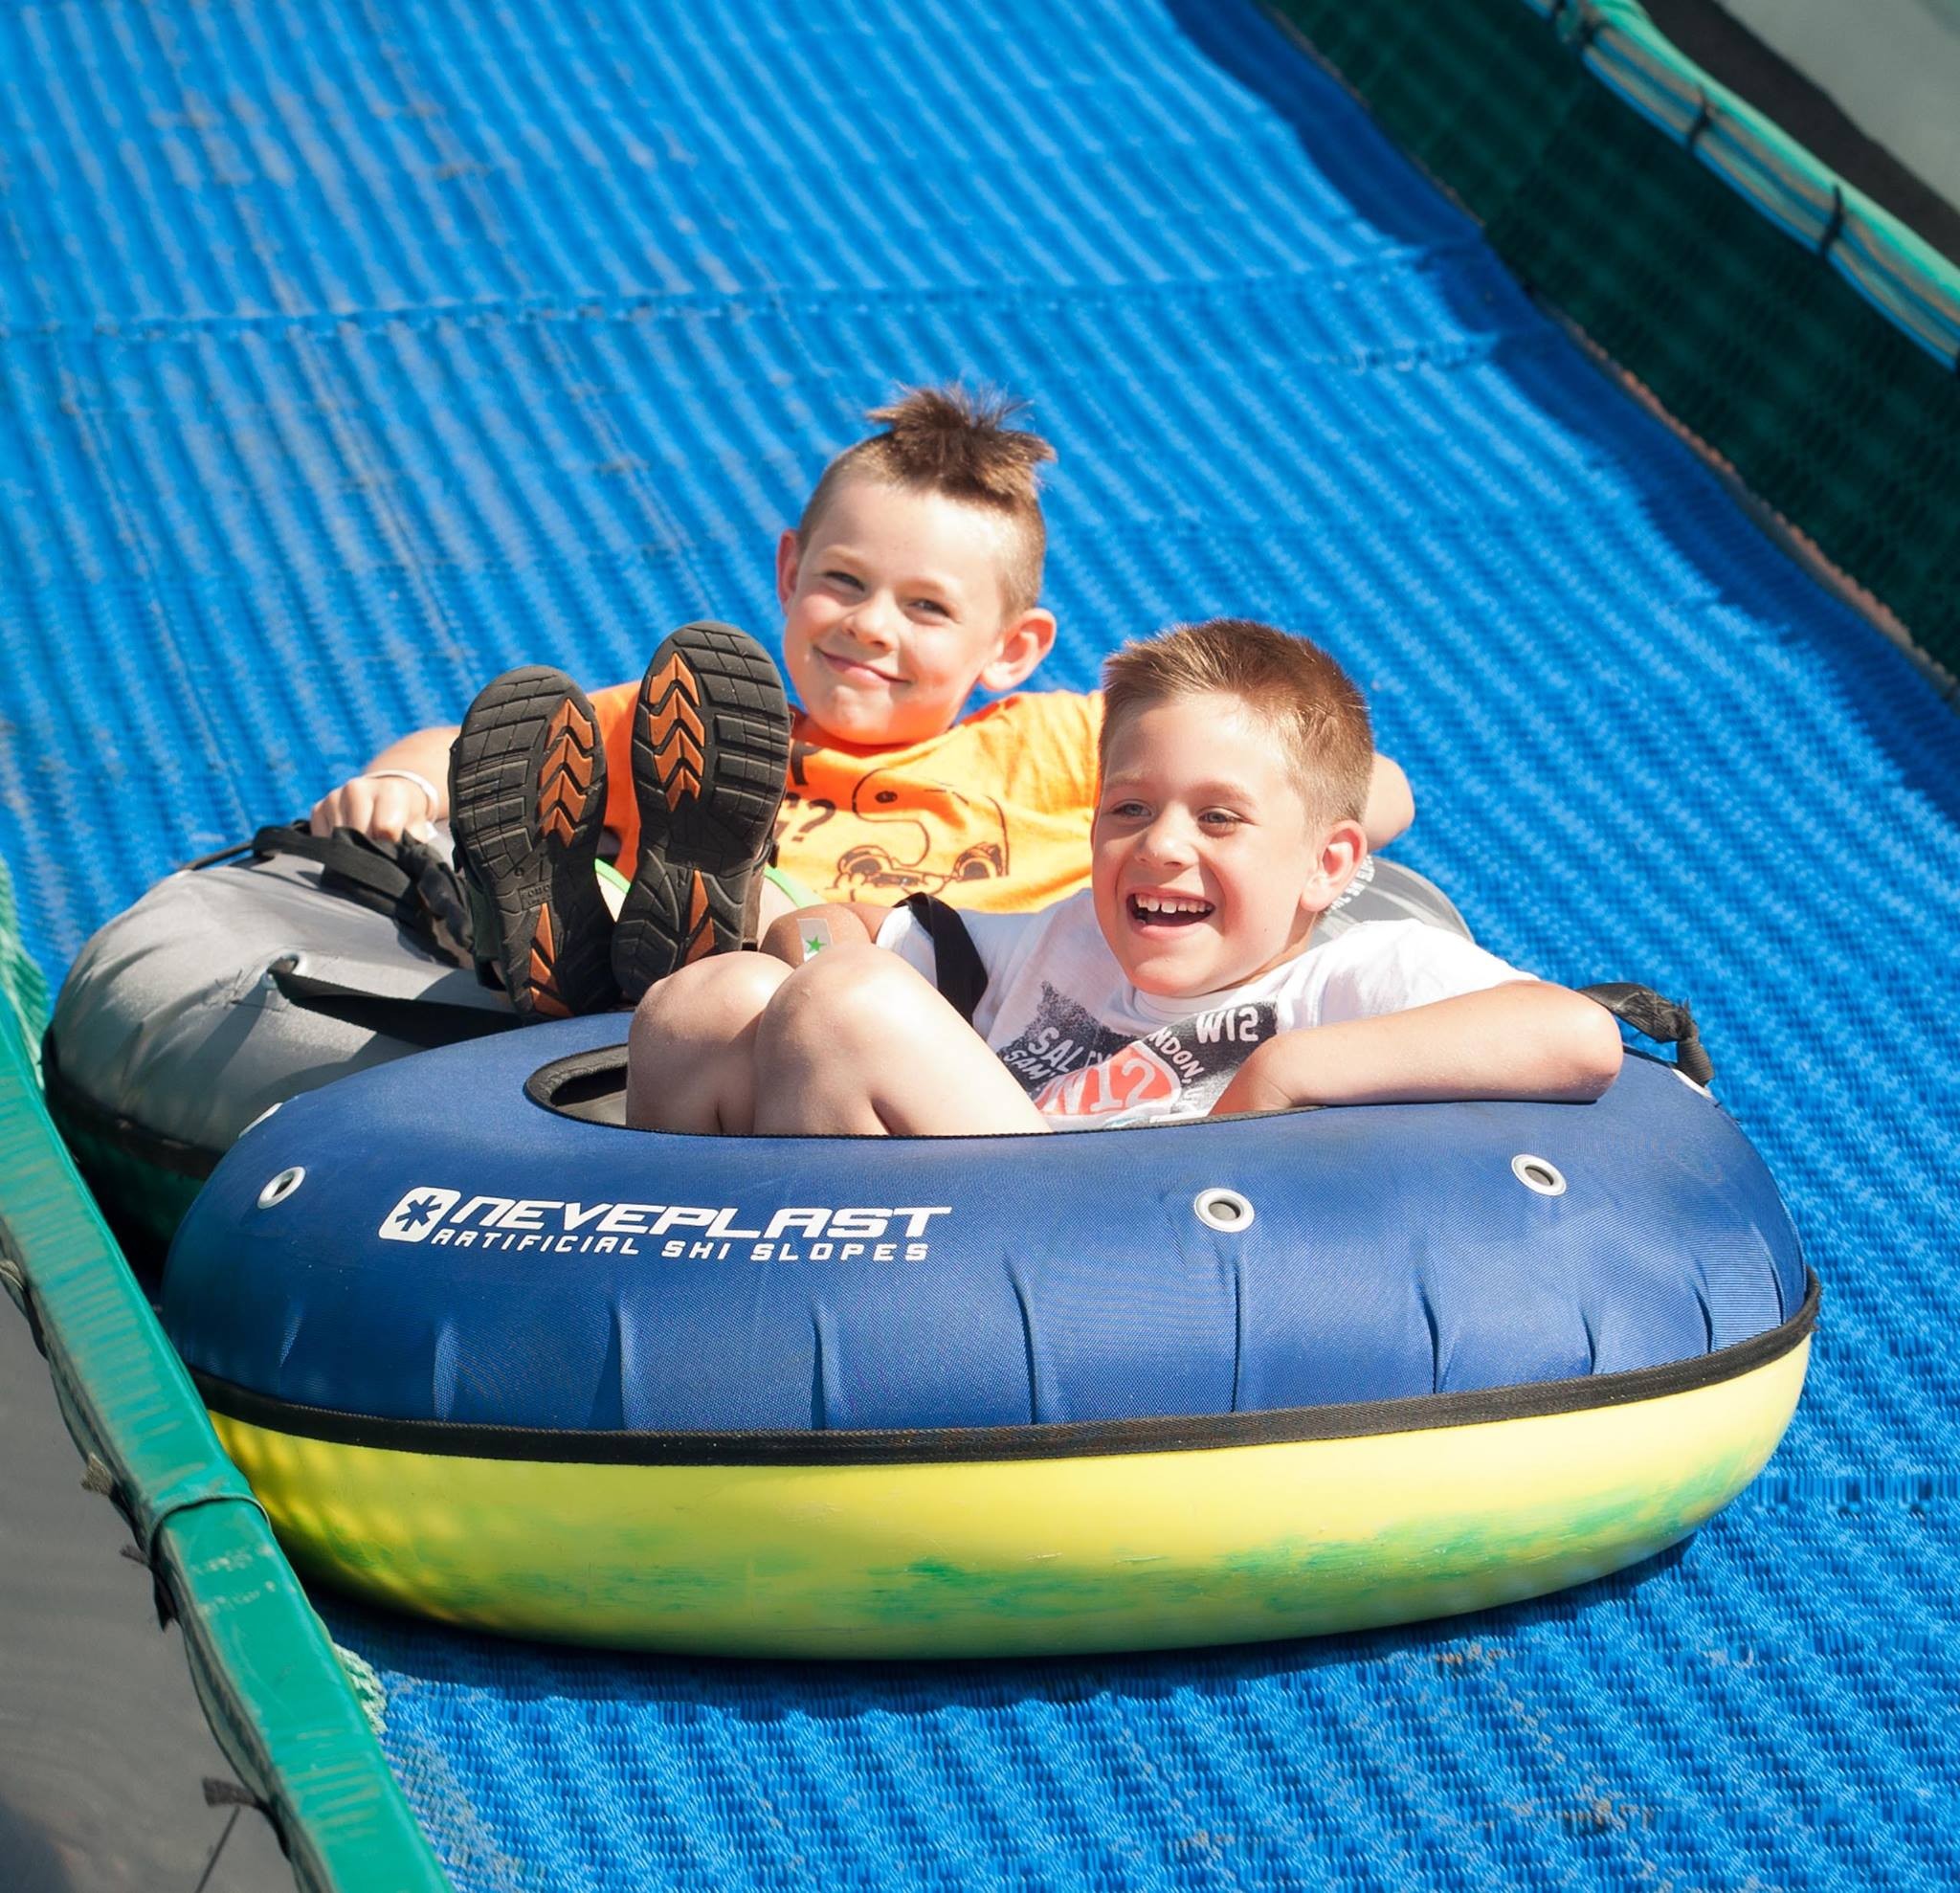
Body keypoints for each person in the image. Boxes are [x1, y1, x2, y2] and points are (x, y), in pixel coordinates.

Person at [306, 388, 1415, 1020]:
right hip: (719, 990)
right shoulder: (708, 725)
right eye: (843, 582)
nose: (870, 625)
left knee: (784, 914)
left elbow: (1371, 790)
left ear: (1011, 648)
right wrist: (403, 785)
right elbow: (486, 752)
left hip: (919, 994)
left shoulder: (1057, 744)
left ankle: (691, 921)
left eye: (927, 608)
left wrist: (1260, 803)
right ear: (789, 572)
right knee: (609, 870)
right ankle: (571, 940)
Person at [623, 619, 1623, 1135]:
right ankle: (662, 1314)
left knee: (841, 1005)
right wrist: (808, 943)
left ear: (1326, 866)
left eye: (1218, 817)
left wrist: (1287, 1072)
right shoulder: (1064, 940)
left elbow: (1577, 1036)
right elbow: (854, 925)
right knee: (712, 999)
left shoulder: (1339, 980)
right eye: (1128, 809)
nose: (1161, 846)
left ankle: (799, 1346)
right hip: (966, 1214)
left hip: (1081, 1278)